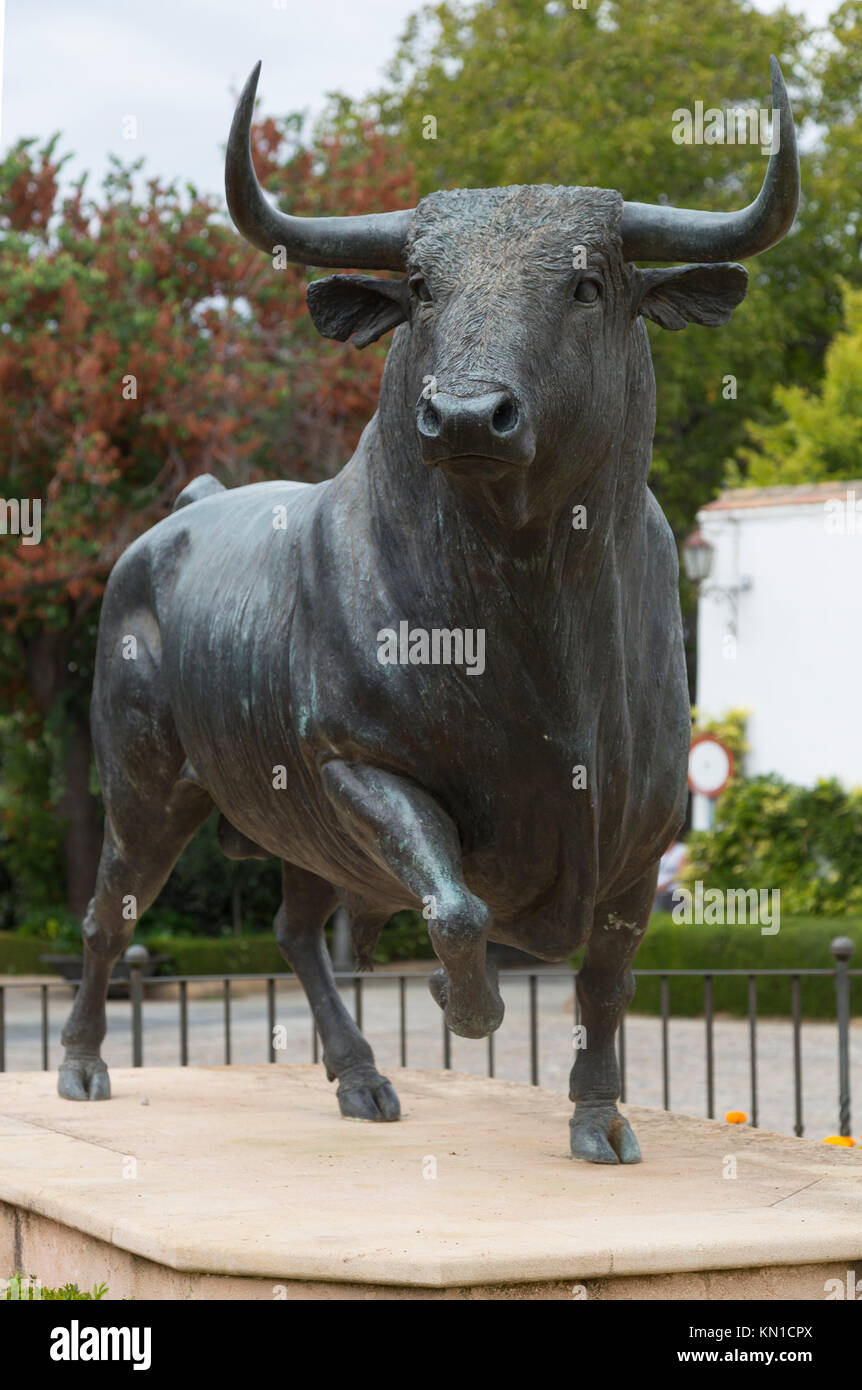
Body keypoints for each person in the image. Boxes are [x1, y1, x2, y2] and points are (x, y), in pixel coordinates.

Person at [654, 839, 687, 913]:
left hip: (674, 893)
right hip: (656, 893)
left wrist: (663, 886)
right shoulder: (657, 848)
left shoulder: (682, 849)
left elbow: (681, 873)